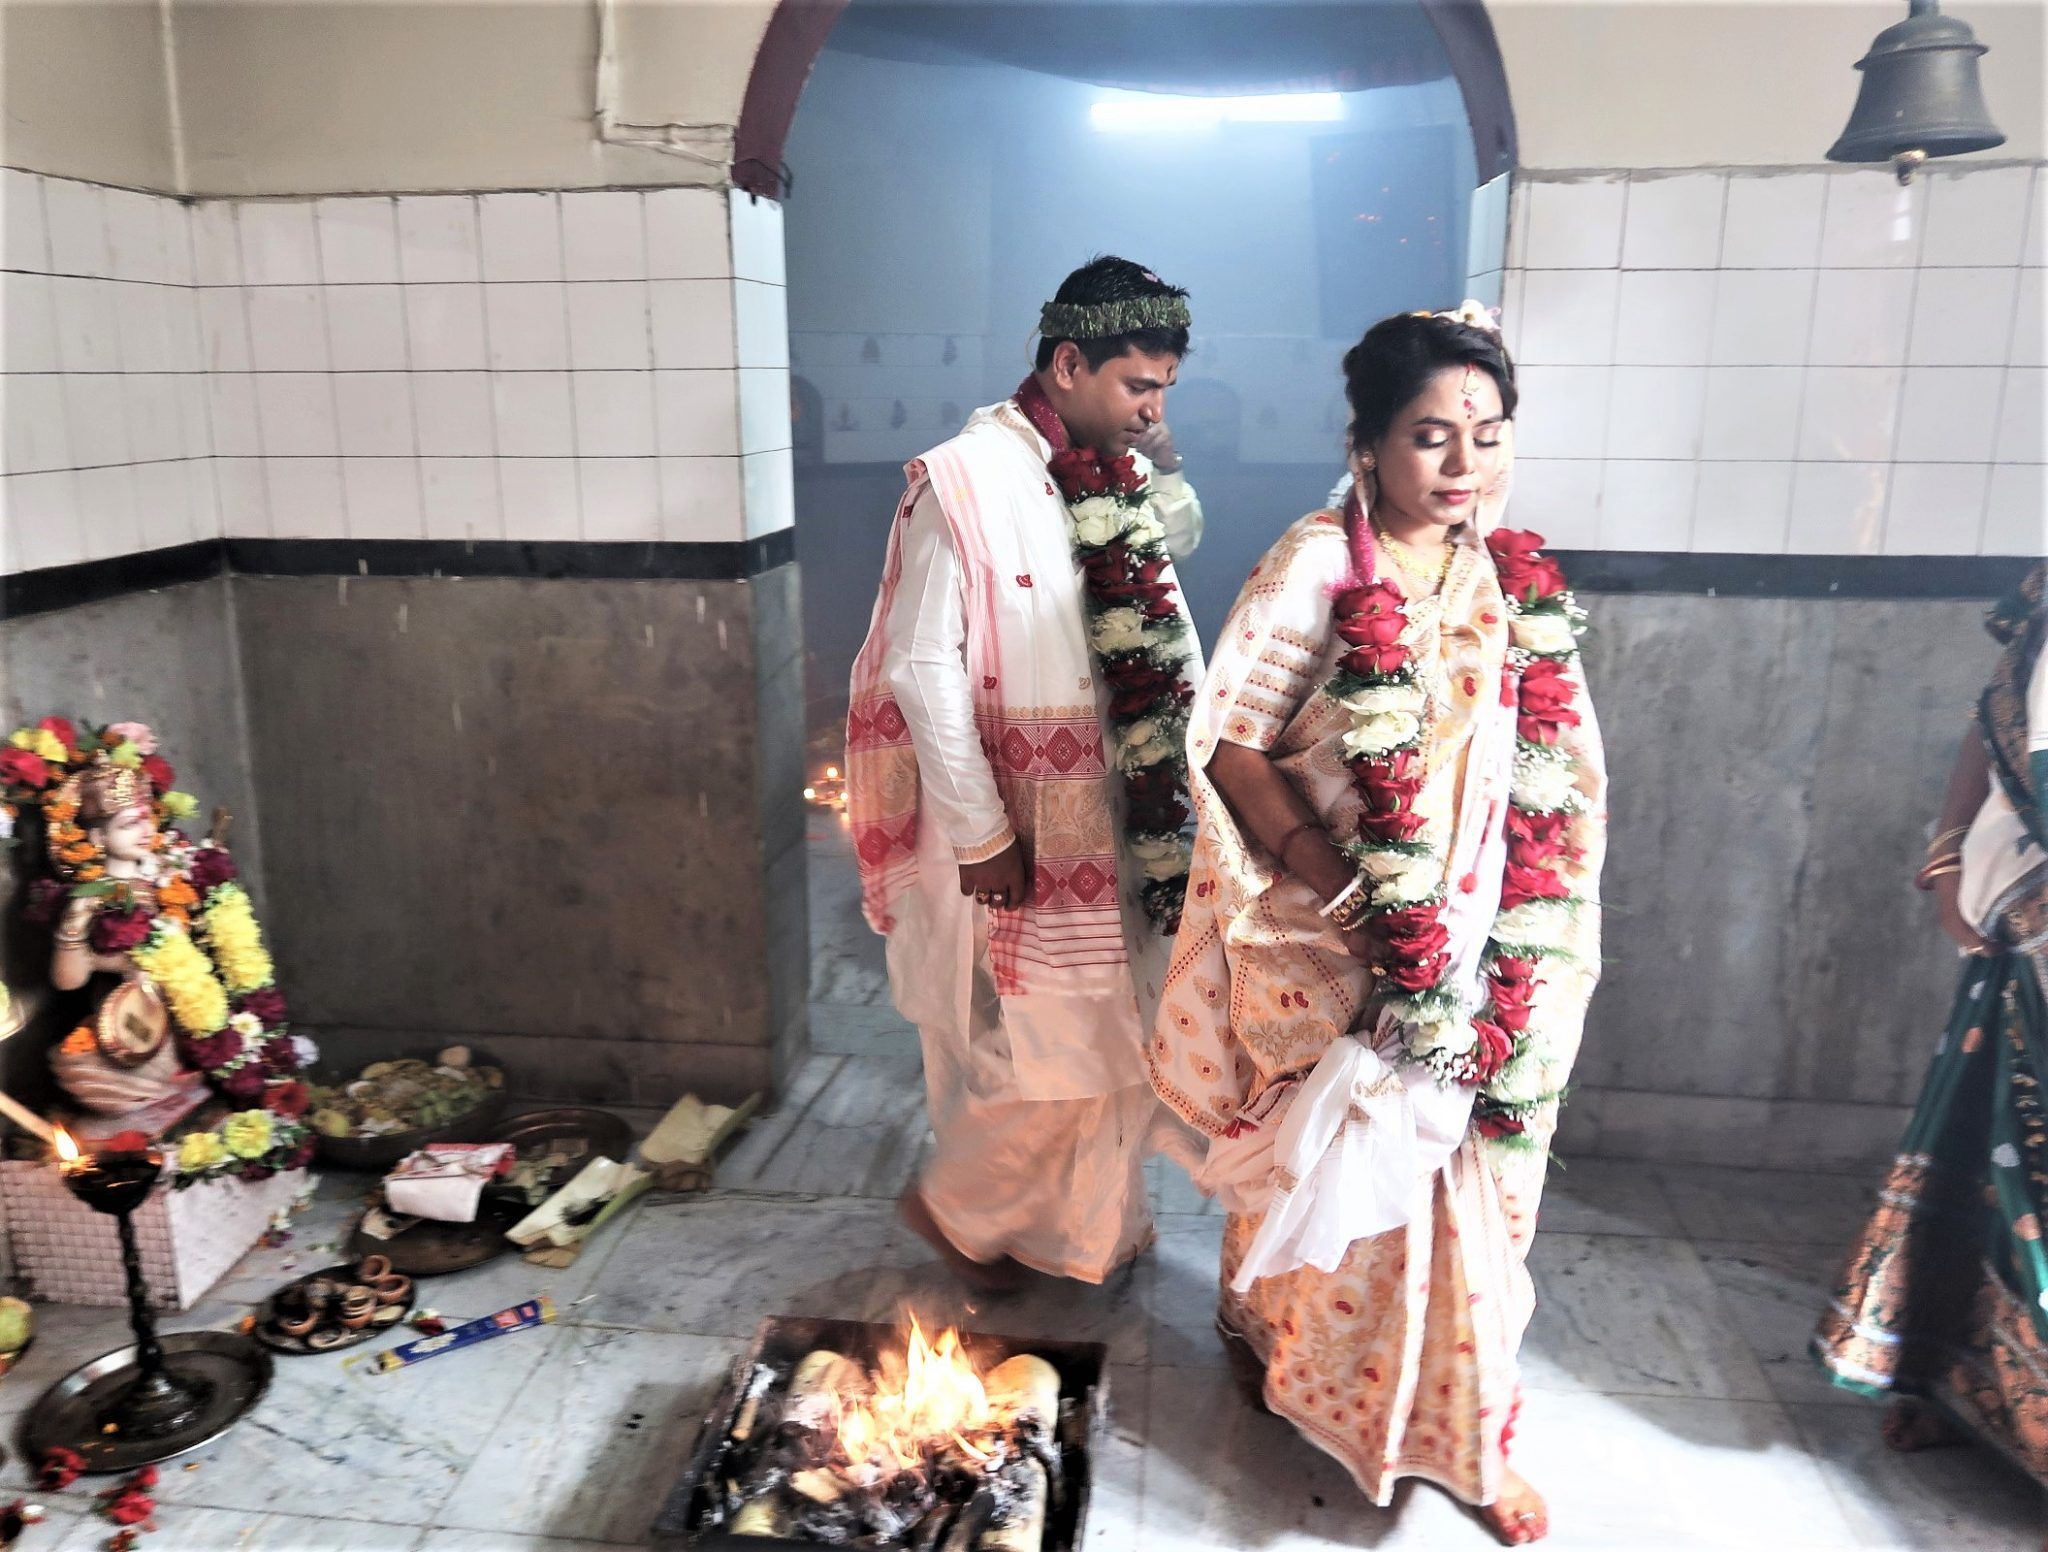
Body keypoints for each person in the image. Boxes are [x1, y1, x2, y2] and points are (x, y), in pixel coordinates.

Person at [1147, 306, 1606, 1545]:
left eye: (1486, 435)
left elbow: (1550, 770)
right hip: (1337, 931)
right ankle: (1278, 1340)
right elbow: (1232, 743)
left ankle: (1463, 1435)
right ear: (1365, 445)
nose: (1464, 463)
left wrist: (1516, 912)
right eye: (1429, 435)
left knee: (1461, 1182)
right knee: (1330, 1151)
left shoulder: (1504, 575)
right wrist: (1337, 880)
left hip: (1485, 934)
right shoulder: (1316, 564)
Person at [846, 256, 1206, 1289]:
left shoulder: (1111, 469)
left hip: (1115, 813)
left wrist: (1162, 458)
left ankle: (1077, 1236)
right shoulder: (963, 480)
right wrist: (982, 835)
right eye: (1138, 386)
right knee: (1037, 1049)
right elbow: (921, 665)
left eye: (1163, 390)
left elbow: (1175, 542)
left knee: (1114, 1035)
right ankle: (961, 1210)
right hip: (1015, 832)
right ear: (1067, 364)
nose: (1151, 408)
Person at [1812, 560, 2047, 1495]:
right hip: (2023, 929)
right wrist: (1947, 857)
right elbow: (1992, 725)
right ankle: (1952, 1381)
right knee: (1993, 1163)